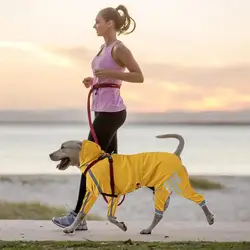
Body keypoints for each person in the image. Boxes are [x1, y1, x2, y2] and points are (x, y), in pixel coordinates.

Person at [52, 4, 145, 230]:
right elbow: (106, 78)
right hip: (103, 111)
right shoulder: (102, 49)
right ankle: (121, 201)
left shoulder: (119, 48)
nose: (95, 25)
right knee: (110, 165)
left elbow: (138, 76)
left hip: (112, 113)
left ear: (109, 23)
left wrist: (110, 74)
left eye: (98, 21)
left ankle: (77, 217)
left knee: (88, 163)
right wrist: (93, 81)